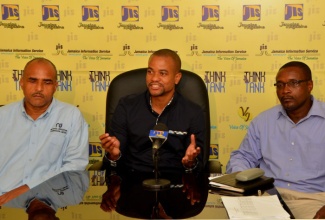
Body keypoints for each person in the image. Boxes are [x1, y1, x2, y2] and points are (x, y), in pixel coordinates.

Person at [226, 61, 325, 219]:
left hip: (313, 200)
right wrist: (244, 182)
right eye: (279, 85)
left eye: (293, 83)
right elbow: (242, 156)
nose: (285, 90)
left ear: (309, 85)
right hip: (269, 197)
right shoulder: (264, 121)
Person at [99, 49, 205, 173]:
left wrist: (190, 163)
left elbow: (198, 165)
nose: (154, 78)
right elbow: (112, 161)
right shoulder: (126, 106)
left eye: (163, 73)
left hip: (176, 182)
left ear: (177, 78)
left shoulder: (193, 112)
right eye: (150, 72)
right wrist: (113, 155)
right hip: (133, 182)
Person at [0, 58, 89, 205]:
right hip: (4, 199)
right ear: (21, 82)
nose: (39, 88)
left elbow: (75, 167)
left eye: (47, 82)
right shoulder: (3, 116)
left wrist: (27, 188)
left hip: (49, 199)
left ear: (56, 86)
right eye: (32, 81)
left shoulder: (71, 116)